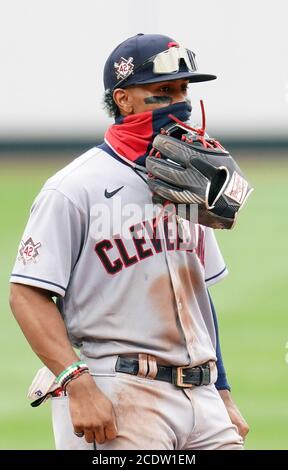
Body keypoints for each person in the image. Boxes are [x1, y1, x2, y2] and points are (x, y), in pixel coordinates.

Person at [9, 33, 249, 450]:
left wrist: (222, 390)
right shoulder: (74, 187)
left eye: (183, 89)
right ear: (123, 99)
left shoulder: (189, 182)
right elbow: (26, 295)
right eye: (163, 91)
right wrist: (75, 382)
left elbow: (199, 298)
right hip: (117, 392)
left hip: (201, 396)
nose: (180, 103)